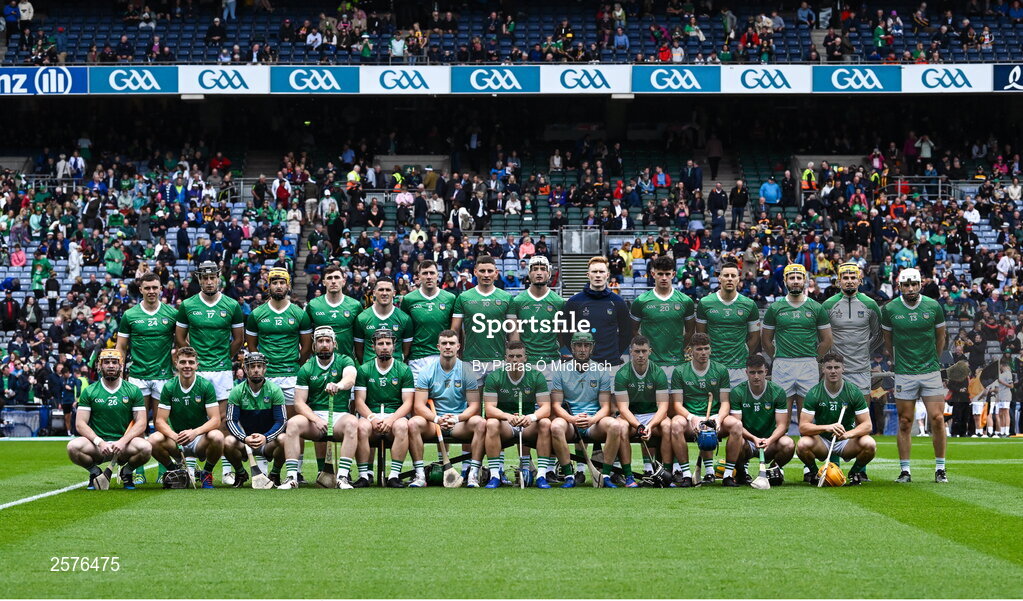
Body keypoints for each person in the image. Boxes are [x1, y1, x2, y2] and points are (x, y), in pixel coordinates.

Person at [175, 261, 245, 484]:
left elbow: (239, 340)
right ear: (199, 279)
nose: (208, 281)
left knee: (223, 420)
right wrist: (195, 359)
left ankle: (224, 469)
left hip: (222, 369)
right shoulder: (187, 305)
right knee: (192, 416)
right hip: (197, 370)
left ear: (218, 278)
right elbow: (180, 338)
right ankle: (191, 467)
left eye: (212, 277)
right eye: (204, 278)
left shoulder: (232, 305)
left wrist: (224, 357)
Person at [881, 268, 948, 483]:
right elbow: (888, 341)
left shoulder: (933, 306)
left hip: (930, 371)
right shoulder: (890, 308)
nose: (910, 289)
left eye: (914, 284)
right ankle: (905, 471)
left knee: (937, 419)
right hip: (905, 372)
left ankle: (940, 468)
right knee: (904, 421)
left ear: (921, 284)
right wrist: (899, 361)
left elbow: (940, 338)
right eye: (906, 285)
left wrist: (934, 362)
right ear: (899, 286)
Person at [115, 271, 178, 486]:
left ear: (161, 288)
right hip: (138, 376)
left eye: (155, 287)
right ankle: (137, 470)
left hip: (163, 376)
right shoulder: (130, 315)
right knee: (137, 426)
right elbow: (120, 348)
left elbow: (181, 343)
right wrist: (120, 374)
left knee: (163, 425)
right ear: (140, 289)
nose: (151, 291)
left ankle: (164, 470)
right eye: (147, 288)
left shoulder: (171, 313)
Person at [280, 326, 359, 489]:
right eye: (320, 341)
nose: (324, 344)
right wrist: (315, 419)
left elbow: (350, 378)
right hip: (315, 417)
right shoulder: (306, 368)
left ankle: (342, 477)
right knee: (293, 423)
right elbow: (299, 402)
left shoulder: (345, 360)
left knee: (352, 423)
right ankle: (291, 477)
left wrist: (339, 385)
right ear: (314, 345)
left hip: (339, 417)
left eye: (328, 341)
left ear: (334, 344)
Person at [409, 330, 487, 487]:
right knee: (413, 423)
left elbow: (474, 406)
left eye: (451, 343)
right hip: (434, 422)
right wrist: (437, 419)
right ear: (438, 347)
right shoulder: (427, 371)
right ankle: (420, 475)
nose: (448, 347)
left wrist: (456, 418)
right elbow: (418, 405)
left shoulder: (467, 371)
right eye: (444, 343)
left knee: (480, 422)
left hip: (458, 423)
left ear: (458, 346)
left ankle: (472, 474)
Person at [65, 349, 152, 490]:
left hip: (124, 445)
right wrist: (99, 442)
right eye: (106, 362)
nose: (111, 365)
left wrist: (123, 441)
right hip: (98, 446)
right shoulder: (90, 391)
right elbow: (80, 424)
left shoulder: (133, 390)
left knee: (146, 448)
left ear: (121, 366)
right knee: (73, 447)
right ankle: (95, 472)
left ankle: (127, 472)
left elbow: (141, 422)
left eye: (114, 362)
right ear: (99, 366)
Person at [549, 331, 624, 488]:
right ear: (572, 347)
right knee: (555, 426)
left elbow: (605, 407)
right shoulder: (560, 371)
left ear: (592, 348)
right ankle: (569, 475)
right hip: (570, 423)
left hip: (594, 423)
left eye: (586, 345)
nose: (582, 349)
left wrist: (592, 420)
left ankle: (605, 474)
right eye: (578, 345)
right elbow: (556, 405)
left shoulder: (601, 371)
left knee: (616, 425)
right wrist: (572, 419)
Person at [761, 263, 832, 428]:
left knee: (806, 422)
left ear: (804, 281)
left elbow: (827, 340)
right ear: (785, 281)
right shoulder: (775, 308)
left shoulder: (816, 307)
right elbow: (766, 340)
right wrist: (778, 357)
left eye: (798, 278)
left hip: (808, 365)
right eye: (791, 278)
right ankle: (781, 452)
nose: (795, 281)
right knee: (781, 423)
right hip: (782, 365)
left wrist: (814, 359)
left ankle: (806, 453)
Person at [668, 333, 742, 487]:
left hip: (713, 418)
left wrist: (718, 418)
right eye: (699, 349)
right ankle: (686, 475)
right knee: (675, 424)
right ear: (691, 351)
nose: (703, 352)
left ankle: (728, 475)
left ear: (710, 350)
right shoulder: (680, 371)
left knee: (736, 425)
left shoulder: (720, 370)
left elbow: (725, 402)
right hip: (691, 419)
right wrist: (691, 417)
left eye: (706, 349)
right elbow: (677, 405)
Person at [796, 352, 877, 486]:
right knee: (802, 444)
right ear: (823, 369)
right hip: (823, 441)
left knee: (870, 443)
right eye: (829, 368)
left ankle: (855, 472)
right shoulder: (814, 393)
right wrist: (827, 427)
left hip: (846, 441)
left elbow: (867, 425)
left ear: (843, 368)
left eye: (836, 367)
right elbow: (803, 427)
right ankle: (815, 473)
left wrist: (848, 434)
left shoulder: (853, 391)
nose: (833, 371)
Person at [352, 329, 419, 488]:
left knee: (403, 425)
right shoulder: (364, 369)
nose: (384, 347)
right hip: (371, 415)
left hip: (394, 415)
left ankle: (394, 476)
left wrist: (391, 419)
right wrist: (372, 419)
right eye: (380, 344)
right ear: (373, 347)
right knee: (360, 426)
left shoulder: (403, 369)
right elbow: (359, 402)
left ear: (394, 346)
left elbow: (408, 403)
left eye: (388, 343)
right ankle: (363, 476)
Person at [481, 340, 553, 488]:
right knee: (491, 423)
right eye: (511, 356)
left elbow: (546, 408)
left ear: (525, 358)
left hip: (527, 424)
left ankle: (541, 476)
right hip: (505, 424)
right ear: (505, 358)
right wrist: (507, 416)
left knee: (545, 423)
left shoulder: (536, 376)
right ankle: (495, 475)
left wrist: (531, 417)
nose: (515, 360)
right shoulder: (494, 376)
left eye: (519, 356)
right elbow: (489, 409)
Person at [148, 347, 223, 488]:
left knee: (218, 436)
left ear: (196, 365)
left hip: (199, 439)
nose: (187, 366)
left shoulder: (205, 386)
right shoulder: (169, 387)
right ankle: (176, 471)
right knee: (153, 439)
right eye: (183, 362)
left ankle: (206, 473)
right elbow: (159, 421)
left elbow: (215, 420)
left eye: (190, 362)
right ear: (176, 364)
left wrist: (194, 432)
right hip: (176, 439)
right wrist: (174, 436)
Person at [245, 267, 312, 409]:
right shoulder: (256, 314)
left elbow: (306, 347)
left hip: (291, 374)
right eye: (274, 283)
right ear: (268, 286)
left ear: (288, 285)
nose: (279, 286)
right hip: (266, 374)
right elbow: (252, 347)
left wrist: (296, 364)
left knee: (292, 422)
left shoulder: (299, 314)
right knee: (265, 422)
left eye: (282, 282)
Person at [223, 352, 287, 487]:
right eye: (252, 366)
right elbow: (230, 421)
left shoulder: (275, 390)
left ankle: (275, 474)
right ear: (245, 369)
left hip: (267, 442)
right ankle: (240, 473)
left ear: (265, 369)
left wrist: (266, 437)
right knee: (227, 442)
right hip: (246, 442)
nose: (256, 370)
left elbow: (281, 422)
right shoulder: (237, 391)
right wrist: (244, 438)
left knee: (284, 439)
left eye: (259, 366)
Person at [614, 336, 669, 488]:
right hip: (630, 416)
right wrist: (638, 425)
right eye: (637, 351)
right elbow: (623, 408)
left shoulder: (658, 373)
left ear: (650, 352)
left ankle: (667, 474)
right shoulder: (622, 374)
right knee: (620, 427)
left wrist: (650, 426)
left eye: (644, 351)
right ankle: (629, 476)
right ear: (631, 352)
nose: (640, 355)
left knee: (669, 426)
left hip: (652, 415)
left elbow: (663, 406)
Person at [695, 262, 761, 387]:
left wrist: (744, 354)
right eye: (726, 275)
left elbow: (755, 337)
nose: (729, 278)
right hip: (712, 365)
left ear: (738, 278)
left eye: (733, 275)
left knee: (737, 406)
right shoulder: (705, 303)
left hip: (739, 367)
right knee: (713, 406)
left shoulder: (749, 304)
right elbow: (701, 335)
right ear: (719, 278)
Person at [729, 354, 794, 481]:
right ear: (746, 372)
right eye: (752, 372)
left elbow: (782, 425)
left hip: (770, 441)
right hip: (748, 440)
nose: (756, 376)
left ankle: (772, 470)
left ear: (766, 371)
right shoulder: (738, 392)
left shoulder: (778, 391)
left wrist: (769, 440)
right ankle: (742, 473)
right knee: (736, 441)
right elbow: (736, 424)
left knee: (789, 444)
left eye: (760, 372)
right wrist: (753, 438)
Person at [561, 256, 631, 372]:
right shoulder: (574, 302)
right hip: (583, 365)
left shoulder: (618, 302)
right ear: (588, 275)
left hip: (611, 365)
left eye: (601, 271)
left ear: (607, 275)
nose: (598, 275)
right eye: (594, 271)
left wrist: (614, 354)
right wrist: (579, 355)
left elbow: (626, 333)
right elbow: (566, 333)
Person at [450, 255, 513, 384]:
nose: (486, 275)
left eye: (490, 271)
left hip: (498, 358)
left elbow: (513, 330)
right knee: (473, 403)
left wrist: (514, 355)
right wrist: (455, 353)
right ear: (475, 272)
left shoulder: (506, 298)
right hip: (471, 359)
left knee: (497, 403)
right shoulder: (463, 297)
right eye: (482, 271)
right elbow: (455, 329)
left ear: (496, 273)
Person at [822, 263, 882, 398]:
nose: (849, 281)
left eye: (853, 278)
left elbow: (880, 334)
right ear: (838, 282)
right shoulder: (828, 305)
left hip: (861, 369)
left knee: (862, 416)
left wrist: (866, 348)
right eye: (845, 278)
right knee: (837, 417)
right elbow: (820, 336)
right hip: (836, 370)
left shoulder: (870, 304)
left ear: (860, 281)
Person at [631, 255, 695, 373]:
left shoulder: (686, 301)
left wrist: (681, 349)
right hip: (650, 362)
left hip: (677, 362)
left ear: (674, 274)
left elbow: (690, 331)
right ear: (653, 274)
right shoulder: (641, 301)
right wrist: (644, 351)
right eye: (660, 274)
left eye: (667, 274)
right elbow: (634, 331)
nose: (664, 278)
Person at [508, 255, 565, 385]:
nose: (539, 272)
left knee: (550, 404)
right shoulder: (517, 301)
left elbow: (563, 333)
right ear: (529, 273)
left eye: (543, 269)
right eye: (535, 269)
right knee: (526, 404)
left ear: (549, 273)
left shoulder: (559, 301)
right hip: (527, 361)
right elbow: (513, 333)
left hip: (552, 362)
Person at [397, 260, 455, 378]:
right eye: (425, 273)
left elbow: (456, 329)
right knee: (419, 396)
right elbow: (403, 331)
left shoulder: (450, 298)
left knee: (444, 396)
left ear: (437, 275)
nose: (429, 277)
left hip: (443, 356)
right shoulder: (408, 299)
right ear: (418, 276)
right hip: (417, 358)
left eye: (432, 273)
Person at [305, 265, 362, 364]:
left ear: (343, 282)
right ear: (324, 282)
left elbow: (360, 338)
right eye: (329, 278)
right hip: (320, 363)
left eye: (337, 277)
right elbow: (306, 336)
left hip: (347, 362)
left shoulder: (355, 305)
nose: (333, 281)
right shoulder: (313, 305)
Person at [354, 278, 413, 364]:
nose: (384, 293)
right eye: (381, 290)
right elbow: (359, 351)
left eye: (388, 290)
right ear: (374, 292)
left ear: (394, 293)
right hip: (370, 372)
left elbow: (406, 351)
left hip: (395, 372)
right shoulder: (362, 318)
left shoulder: (405, 319)